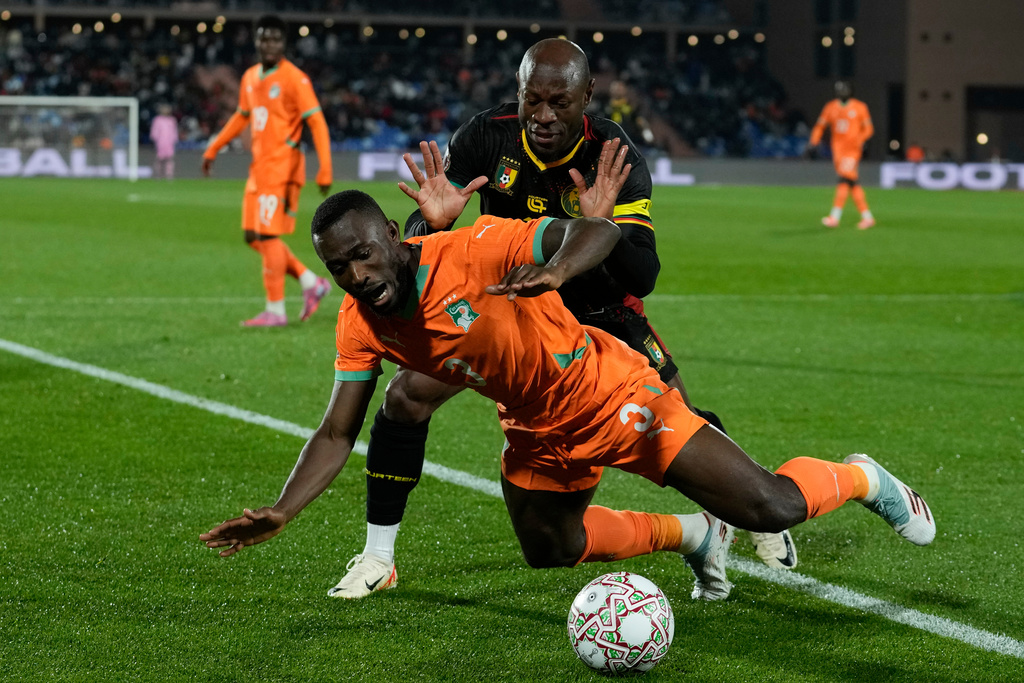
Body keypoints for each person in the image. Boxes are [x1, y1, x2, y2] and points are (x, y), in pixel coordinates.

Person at [199, 186, 936, 605]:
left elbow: (595, 230)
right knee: (551, 549)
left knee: (771, 505)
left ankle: (864, 477)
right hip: (535, 431)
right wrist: (283, 510)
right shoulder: (359, 323)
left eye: (363, 254)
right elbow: (337, 431)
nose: (356, 276)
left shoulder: (476, 249)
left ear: (393, 236)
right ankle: (692, 534)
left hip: (612, 395)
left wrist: (556, 270)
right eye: (338, 267)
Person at [336, 38, 795, 599]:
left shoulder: (613, 154)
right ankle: (378, 556)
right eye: (532, 99)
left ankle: (753, 514)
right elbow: (415, 243)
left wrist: (607, 226)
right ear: (518, 91)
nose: (544, 115)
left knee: (679, 417)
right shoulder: (486, 136)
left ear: (587, 96)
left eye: (559, 102)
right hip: (516, 311)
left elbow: (644, 275)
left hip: (600, 311)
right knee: (405, 398)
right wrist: (431, 224)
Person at [202, 14, 333, 327]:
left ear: (284, 43)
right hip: (259, 167)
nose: (269, 44)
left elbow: (316, 121)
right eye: (264, 38)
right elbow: (242, 115)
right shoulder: (250, 76)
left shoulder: (295, 78)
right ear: (256, 41)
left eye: (275, 39)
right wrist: (214, 146)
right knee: (252, 236)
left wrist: (325, 167)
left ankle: (275, 310)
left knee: (267, 235)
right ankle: (311, 282)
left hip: (282, 167)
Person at [807, 81, 875, 230]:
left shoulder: (860, 107)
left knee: (844, 179)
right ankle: (867, 217)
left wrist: (860, 139)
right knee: (851, 182)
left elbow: (869, 129)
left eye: (845, 90)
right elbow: (820, 126)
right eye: (840, 90)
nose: (842, 93)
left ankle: (835, 217)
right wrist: (814, 141)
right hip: (838, 150)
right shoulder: (830, 107)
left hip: (852, 150)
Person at [149, 103, 179, 180]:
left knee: (169, 159)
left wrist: (174, 139)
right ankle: (158, 174)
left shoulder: (172, 120)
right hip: (161, 142)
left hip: (169, 142)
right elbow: (154, 131)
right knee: (159, 159)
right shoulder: (157, 120)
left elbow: (174, 131)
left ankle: (169, 175)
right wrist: (155, 139)